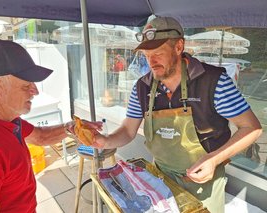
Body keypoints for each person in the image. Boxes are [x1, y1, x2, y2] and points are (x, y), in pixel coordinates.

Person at [90, 17, 262, 213]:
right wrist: (104, 141)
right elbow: (128, 131)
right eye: (146, 55)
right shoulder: (142, 87)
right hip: (160, 178)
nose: (151, 62)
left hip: (203, 183)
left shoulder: (214, 83)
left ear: (179, 46)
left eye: (157, 53)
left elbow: (252, 128)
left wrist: (213, 159)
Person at [0, 39, 102, 213]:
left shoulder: (3, 116)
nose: (35, 91)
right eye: (26, 85)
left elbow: (40, 136)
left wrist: (73, 127)